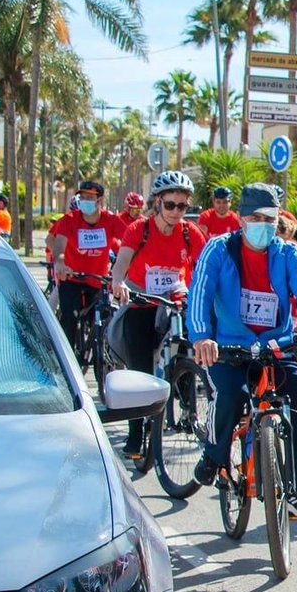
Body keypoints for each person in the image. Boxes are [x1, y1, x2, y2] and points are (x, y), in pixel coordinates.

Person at [187, 183, 297, 519]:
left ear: (278, 219)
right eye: (254, 217)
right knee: (232, 396)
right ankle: (214, 456)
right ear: (240, 219)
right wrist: (201, 338)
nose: (261, 223)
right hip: (228, 349)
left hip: (277, 348)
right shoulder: (218, 249)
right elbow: (200, 293)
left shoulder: (289, 253)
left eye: (269, 218)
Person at [109, 170, 206, 457]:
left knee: (190, 346)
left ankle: (188, 401)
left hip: (176, 302)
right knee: (139, 369)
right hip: (142, 301)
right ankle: (136, 433)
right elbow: (122, 261)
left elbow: (206, 267)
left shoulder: (190, 233)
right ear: (157, 203)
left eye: (183, 206)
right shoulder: (139, 229)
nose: (176, 212)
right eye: (170, 205)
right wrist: (118, 283)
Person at [48, 180, 128, 356]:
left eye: (89, 197)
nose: (85, 200)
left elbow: (130, 241)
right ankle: (66, 359)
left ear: (100, 200)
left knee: (102, 318)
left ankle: (103, 356)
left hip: (97, 280)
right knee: (70, 318)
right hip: (72, 278)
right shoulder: (70, 219)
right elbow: (59, 243)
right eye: (82, 196)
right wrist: (60, 261)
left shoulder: (111, 220)